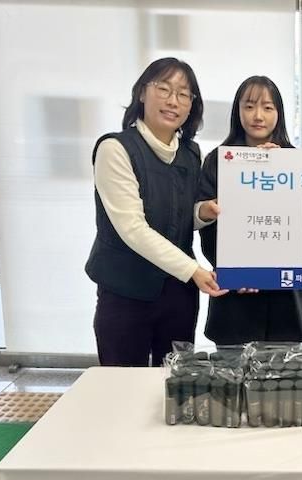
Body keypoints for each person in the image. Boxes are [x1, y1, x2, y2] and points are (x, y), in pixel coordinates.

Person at [85, 57, 225, 367]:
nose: (173, 101)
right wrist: (194, 270)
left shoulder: (190, 153)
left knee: (174, 383)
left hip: (177, 295)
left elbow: (177, 216)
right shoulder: (115, 149)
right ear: (142, 93)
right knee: (123, 385)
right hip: (125, 291)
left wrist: (204, 212)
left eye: (184, 94)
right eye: (164, 89)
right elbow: (132, 228)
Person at [198, 76, 302, 345]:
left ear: (279, 113)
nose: (258, 116)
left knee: (286, 371)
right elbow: (207, 229)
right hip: (233, 299)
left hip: (285, 301)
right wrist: (236, 272)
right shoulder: (218, 160)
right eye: (249, 106)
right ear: (237, 111)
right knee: (231, 369)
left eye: (267, 108)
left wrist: (278, 167)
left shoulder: (297, 161)